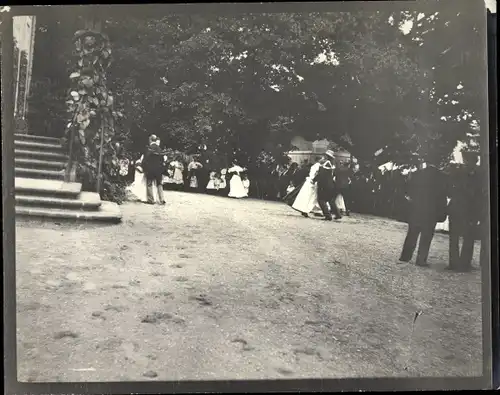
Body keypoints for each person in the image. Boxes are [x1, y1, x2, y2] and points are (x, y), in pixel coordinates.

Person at [398, 161, 448, 267]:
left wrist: (413, 201)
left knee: (412, 233)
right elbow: (444, 195)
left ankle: (405, 256)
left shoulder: (418, 174)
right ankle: (421, 260)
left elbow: (407, 190)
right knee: (426, 236)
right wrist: (442, 212)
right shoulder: (442, 177)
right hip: (432, 212)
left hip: (417, 208)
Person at [447, 152, 482, 272]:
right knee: (460, 237)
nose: (466, 163)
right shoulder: (461, 173)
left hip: (465, 209)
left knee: (463, 237)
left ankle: (460, 263)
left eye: (467, 161)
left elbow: (479, 196)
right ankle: (459, 263)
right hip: (462, 209)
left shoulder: (476, 176)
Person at [314, 150, 342, 221]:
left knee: (321, 200)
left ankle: (328, 216)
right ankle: (338, 214)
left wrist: (314, 179)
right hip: (331, 184)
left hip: (324, 185)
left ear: (327, 156)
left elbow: (321, 174)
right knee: (331, 200)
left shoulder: (325, 163)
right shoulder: (333, 163)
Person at [142, 135, 166, 205]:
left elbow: (145, 160)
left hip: (150, 169)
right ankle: (162, 199)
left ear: (150, 140)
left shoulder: (149, 148)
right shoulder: (159, 149)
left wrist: (144, 168)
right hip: (158, 169)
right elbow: (162, 160)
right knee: (159, 184)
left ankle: (151, 200)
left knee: (149, 184)